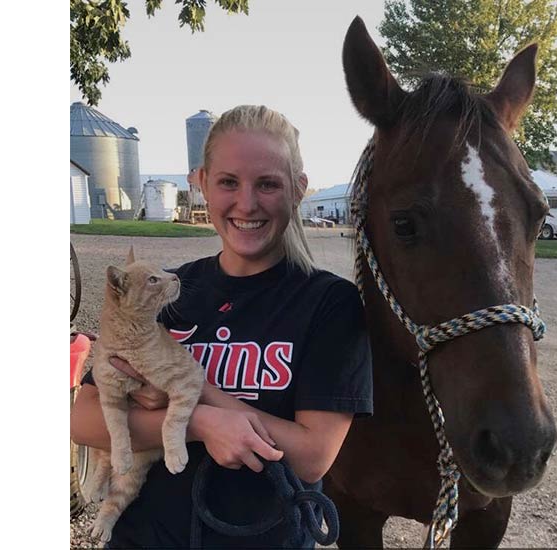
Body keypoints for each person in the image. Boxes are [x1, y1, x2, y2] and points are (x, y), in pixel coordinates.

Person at [70, 105, 373, 548]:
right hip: (144, 537)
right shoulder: (166, 292)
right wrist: (198, 424)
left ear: (299, 189)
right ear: (202, 185)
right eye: (228, 182)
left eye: (267, 184)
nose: (246, 203)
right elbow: (81, 418)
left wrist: (193, 393)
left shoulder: (330, 304)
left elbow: (312, 457)